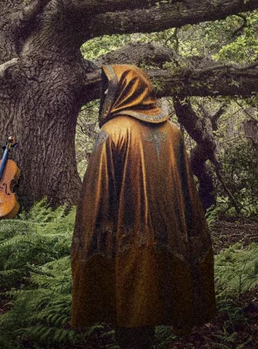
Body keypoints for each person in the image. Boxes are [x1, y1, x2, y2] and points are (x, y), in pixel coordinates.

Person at [71, 64, 216, 348]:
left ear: (124, 90)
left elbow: (97, 195)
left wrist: (91, 239)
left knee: (129, 309)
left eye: (108, 87)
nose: (104, 93)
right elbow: (186, 193)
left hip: (124, 241)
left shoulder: (113, 132)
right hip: (168, 238)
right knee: (147, 307)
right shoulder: (173, 131)